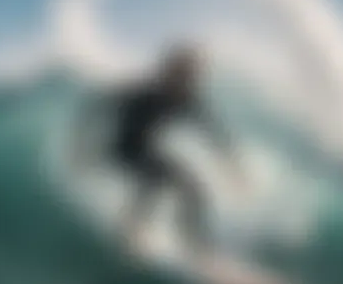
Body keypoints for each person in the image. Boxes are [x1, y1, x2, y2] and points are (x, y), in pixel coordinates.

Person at [71, 45, 244, 260]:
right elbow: (101, 105)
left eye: (191, 76)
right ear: (169, 72)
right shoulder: (145, 92)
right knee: (157, 180)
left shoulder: (187, 100)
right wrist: (80, 145)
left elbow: (211, 130)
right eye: (182, 74)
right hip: (121, 148)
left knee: (194, 190)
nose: (187, 81)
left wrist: (232, 165)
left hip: (145, 150)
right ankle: (130, 230)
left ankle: (192, 242)